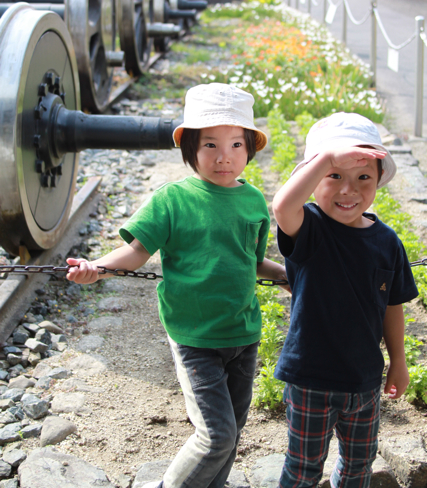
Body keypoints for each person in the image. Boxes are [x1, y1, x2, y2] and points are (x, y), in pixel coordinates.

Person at [67, 83, 288, 488]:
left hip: (244, 333)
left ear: (249, 148)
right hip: (194, 337)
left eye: (237, 144)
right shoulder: (172, 199)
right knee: (216, 435)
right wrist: (97, 266)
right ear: (189, 147)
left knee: (231, 434)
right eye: (210, 145)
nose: (225, 156)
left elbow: (252, 262)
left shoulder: (255, 201)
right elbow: (136, 252)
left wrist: (288, 276)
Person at [272, 112, 418, 488]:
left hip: (364, 380)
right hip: (310, 379)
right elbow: (283, 206)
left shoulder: (388, 242)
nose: (348, 190)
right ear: (313, 176)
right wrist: (327, 158)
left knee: (358, 465)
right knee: (303, 468)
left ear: (378, 181)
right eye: (334, 176)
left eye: (362, 177)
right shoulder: (310, 228)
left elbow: (393, 306)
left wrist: (398, 362)